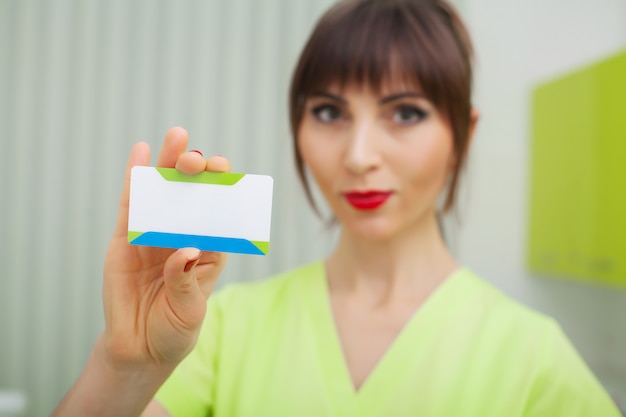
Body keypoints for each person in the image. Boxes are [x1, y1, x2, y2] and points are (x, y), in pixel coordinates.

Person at [53, 0, 622, 416]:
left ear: (464, 136)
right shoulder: (215, 329)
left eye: (405, 113)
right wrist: (124, 365)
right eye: (328, 112)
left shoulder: (534, 357)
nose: (358, 156)